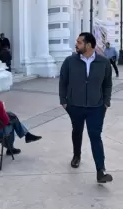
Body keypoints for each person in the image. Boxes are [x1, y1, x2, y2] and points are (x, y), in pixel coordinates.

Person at [59, 32, 113, 183]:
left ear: (88, 45)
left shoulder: (104, 62)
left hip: (96, 107)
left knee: (95, 136)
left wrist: (106, 102)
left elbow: (107, 84)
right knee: (77, 131)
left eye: (79, 42)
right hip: (74, 105)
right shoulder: (70, 61)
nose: (76, 44)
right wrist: (63, 101)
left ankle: (100, 171)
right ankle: (77, 155)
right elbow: (63, 81)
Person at [0, 79, 42, 155]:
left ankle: (27, 135)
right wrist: (3, 110)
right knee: (12, 124)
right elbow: (5, 121)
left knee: (11, 115)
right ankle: (11, 148)